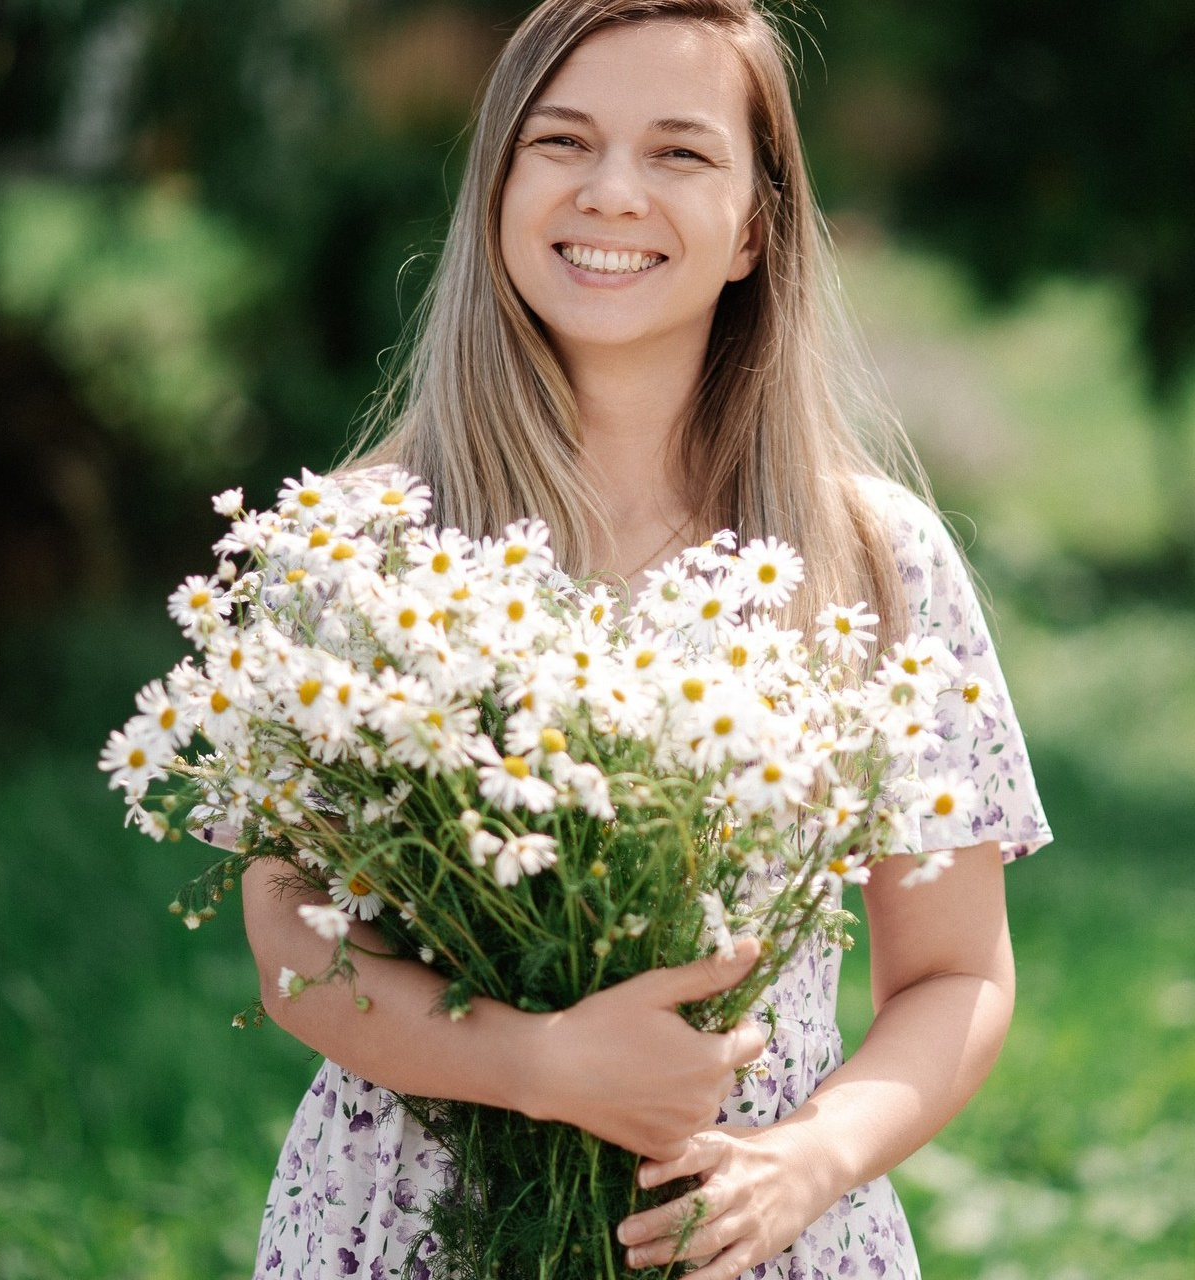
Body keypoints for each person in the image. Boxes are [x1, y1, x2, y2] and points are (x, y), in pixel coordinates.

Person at [237, 2, 1053, 1277]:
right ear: (496, 188)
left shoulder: (874, 561)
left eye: (678, 152)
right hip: (410, 1227)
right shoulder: (362, 549)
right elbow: (292, 935)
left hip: (751, 1234)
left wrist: (807, 1158)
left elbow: (955, 977)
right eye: (559, 141)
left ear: (753, 228)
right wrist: (535, 1064)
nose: (611, 191)